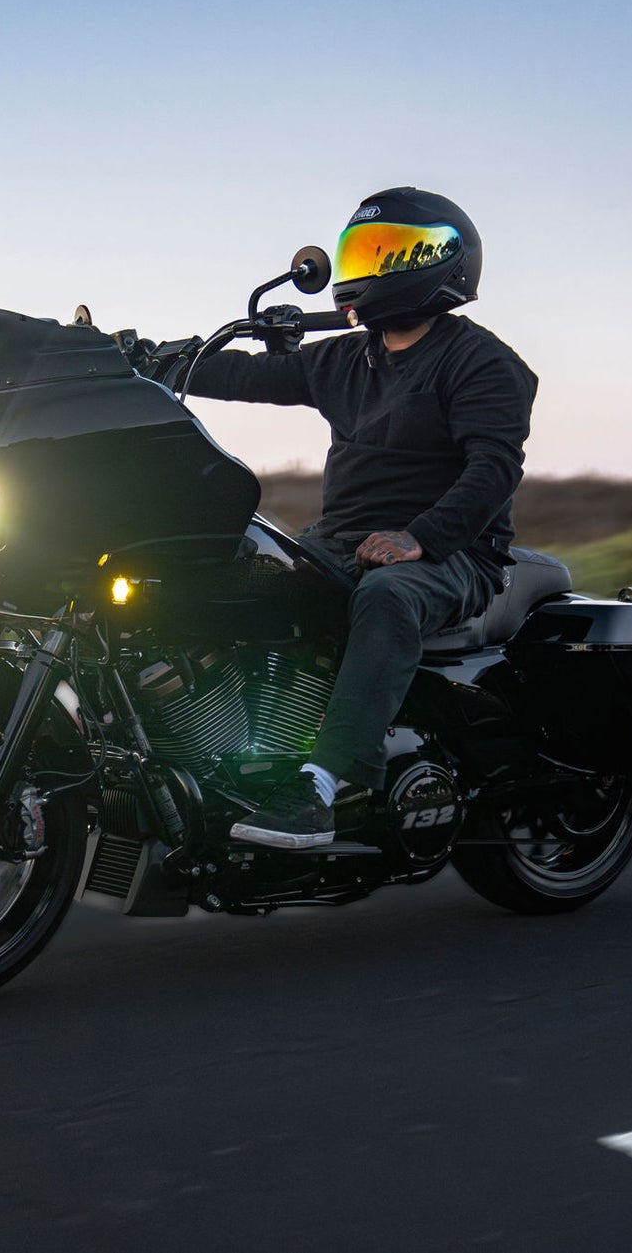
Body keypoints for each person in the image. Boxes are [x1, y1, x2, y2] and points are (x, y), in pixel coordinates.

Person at [177, 186, 538, 849]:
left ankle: (321, 787)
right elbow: (243, 376)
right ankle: (222, 755)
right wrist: (135, 357)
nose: (368, 267)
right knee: (227, 569)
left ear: (439, 261)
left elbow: (493, 470)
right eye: (363, 251)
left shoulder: (484, 364)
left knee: (386, 594)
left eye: (387, 252)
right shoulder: (348, 356)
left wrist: (421, 538)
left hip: (452, 554)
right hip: (341, 540)